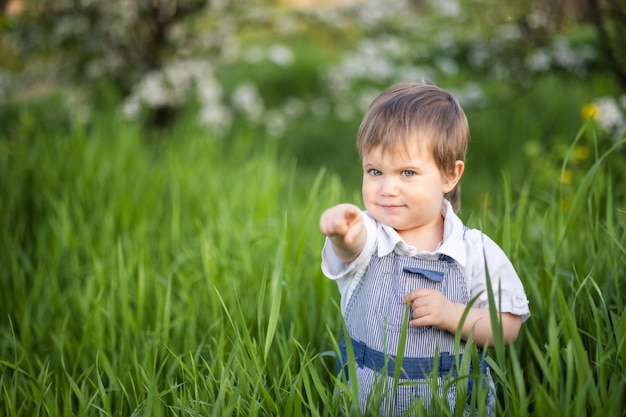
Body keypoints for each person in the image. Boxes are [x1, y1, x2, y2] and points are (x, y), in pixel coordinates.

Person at [319, 82, 530, 416]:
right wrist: (341, 234)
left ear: (449, 175)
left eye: (407, 172)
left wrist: (454, 316)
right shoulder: (370, 234)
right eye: (375, 171)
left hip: (453, 404)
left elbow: (508, 327)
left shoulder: (474, 252)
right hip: (370, 404)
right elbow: (351, 248)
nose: (387, 188)